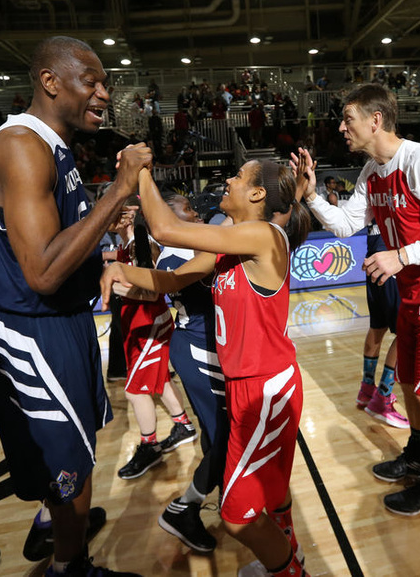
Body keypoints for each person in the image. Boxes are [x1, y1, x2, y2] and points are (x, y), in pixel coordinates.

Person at [0, 35, 150, 577]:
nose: (104, 93)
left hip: (61, 322)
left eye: (106, 83)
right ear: (50, 81)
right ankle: (68, 565)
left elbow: (57, 240)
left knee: (80, 445)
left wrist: (98, 238)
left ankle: (58, 524)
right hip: (32, 329)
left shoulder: (55, 144)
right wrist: (118, 191)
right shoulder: (22, 147)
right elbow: (43, 271)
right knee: (67, 459)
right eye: (91, 81)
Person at [102, 159, 309, 576]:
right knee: (267, 486)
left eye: (238, 176)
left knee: (238, 517)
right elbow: (174, 280)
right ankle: (288, 548)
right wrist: (123, 268)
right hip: (246, 385)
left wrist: (141, 172)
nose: (228, 180)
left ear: (257, 194)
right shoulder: (232, 242)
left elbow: (164, 229)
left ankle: (290, 571)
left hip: (266, 388)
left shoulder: (264, 235)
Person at [293, 84, 420, 516]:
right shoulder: (372, 172)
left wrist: (402, 255)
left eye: (348, 118)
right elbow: (345, 226)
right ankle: (416, 454)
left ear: (375, 120)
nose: (341, 128)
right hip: (414, 292)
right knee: (410, 383)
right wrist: (313, 196)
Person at [102, 194, 229, 553]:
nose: (195, 212)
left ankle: (219, 490)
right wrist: (119, 283)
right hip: (197, 346)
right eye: (186, 208)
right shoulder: (175, 254)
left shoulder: (194, 243)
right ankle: (184, 507)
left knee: (218, 431)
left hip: (206, 343)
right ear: (166, 219)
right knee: (224, 434)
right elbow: (153, 287)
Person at [114, 216, 198, 480]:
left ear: (125, 216)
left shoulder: (141, 244)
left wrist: (112, 285)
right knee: (160, 380)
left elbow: (153, 292)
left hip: (149, 325)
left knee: (135, 391)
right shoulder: (126, 242)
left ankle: (150, 445)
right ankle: (183, 425)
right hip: (140, 324)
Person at [356, 219, 408, 429]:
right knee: (404, 333)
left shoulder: (372, 190)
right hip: (390, 262)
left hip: (374, 259)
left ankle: (367, 389)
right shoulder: (397, 189)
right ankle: (382, 397)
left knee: (377, 327)